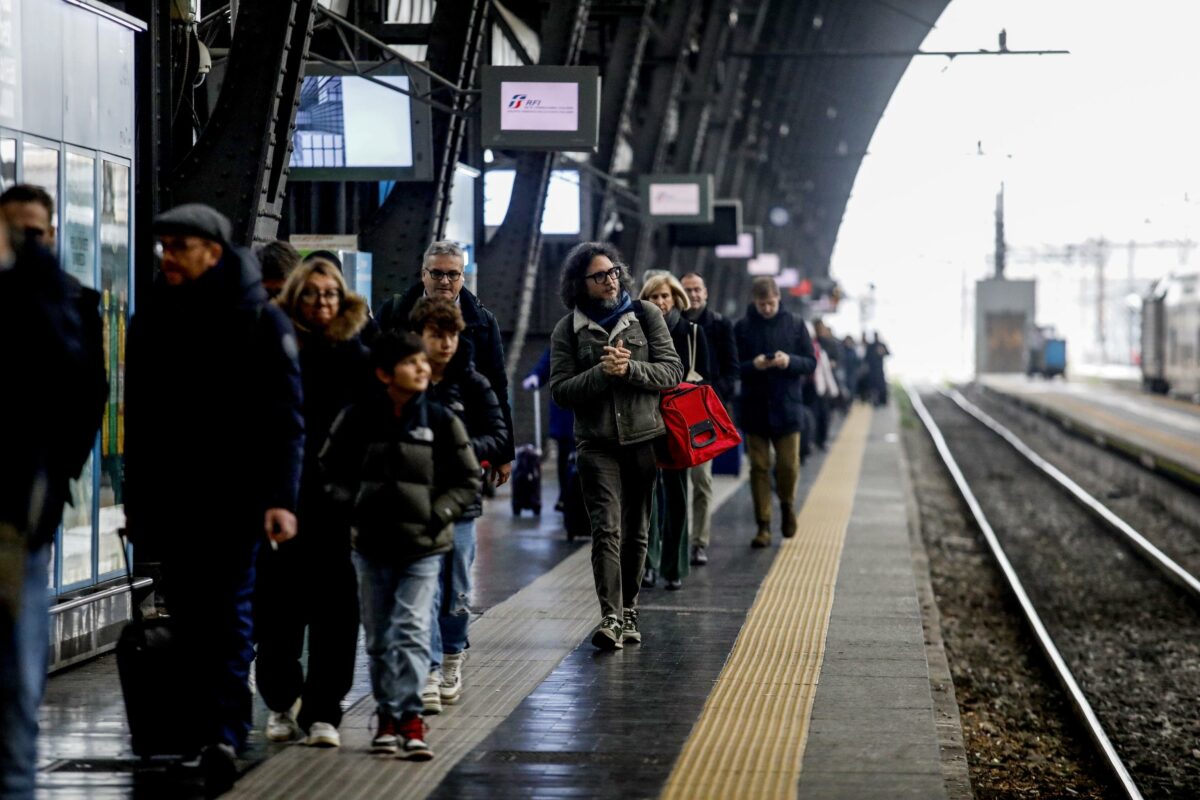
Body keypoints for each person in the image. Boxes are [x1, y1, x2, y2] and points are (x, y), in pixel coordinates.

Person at [123, 204, 304, 794]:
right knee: (195, 619)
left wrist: (281, 498)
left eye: (178, 246)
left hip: (236, 499)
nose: (167, 258)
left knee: (227, 615)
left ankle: (222, 735)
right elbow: (142, 420)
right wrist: (136, 502)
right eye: (163, 247)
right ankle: (202, 730)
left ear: (214, 249)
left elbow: (285, 419)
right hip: (174, 500)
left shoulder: (259, 321)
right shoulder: (153, 318)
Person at [320, 331, 481, 761]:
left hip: (423, 548)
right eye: (412, 363)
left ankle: (410, 718)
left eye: (423, 363)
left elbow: (467, 480)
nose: (423, 369)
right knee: (377, 638)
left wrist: (438, 514)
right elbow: (329, 470)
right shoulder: (358, 418)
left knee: (410, 629)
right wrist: (352, 505)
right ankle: (387, 716)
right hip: (370, 546)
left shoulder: (443, 420)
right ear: (385, 373)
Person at [0, 215, 106, 800]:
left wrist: (59, 472)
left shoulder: (43, 307)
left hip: (16, 520)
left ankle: (16, 785)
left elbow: (77, 384)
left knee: (17, 669)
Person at [255, 257, 373, 749]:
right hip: (283, 496)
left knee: (337, 611)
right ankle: (281, 700)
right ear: (295, 297)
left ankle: (325, 709)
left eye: (330, 293)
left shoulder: (357, 356)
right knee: (278, 608)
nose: (322, 302)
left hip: (337, 501)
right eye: (312, 293)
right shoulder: (272, 348)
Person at [549, 242, 683, 650]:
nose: (609, 280)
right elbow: (560, 390)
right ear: (580, 284)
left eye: (612, 272)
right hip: (597, 443)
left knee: (636, 532)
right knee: (606, 529)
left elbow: (672, 371)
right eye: (598, 276)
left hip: (643, 439)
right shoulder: (567, 329)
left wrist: (630, 369)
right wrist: (601, 375)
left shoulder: (646, 315)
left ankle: (629, 609)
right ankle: (609, 615)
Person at [411, 299, 510, 714]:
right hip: (416, 499)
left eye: (452, 334)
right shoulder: (405, 379)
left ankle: (453, 654)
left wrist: (464, 449)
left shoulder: (473, 383)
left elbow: (498, 433)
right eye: (437, 334)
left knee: (456, 586)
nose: (446, 343)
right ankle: (431, 668)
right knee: (424, 587)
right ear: (420, 336)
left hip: (462, 503)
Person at [376, 241, 514, 487]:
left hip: (460, 441)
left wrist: (502, 454)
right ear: (423, 274)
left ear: (462, 277)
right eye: (437, 273)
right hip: (401, 442)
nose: (444, 280)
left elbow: (497, 384)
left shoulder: (482, 321)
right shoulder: (394, 313)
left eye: (453, 274)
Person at [639, 273, 710, 591]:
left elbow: (708, 380)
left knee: (678, 494)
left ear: (676, 298)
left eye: (665, 296)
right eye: (653, 297)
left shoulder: (692, 333)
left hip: (681, 423)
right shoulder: (637, 332)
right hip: (647, 420)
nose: (660, 303)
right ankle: (649, 563)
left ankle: (675, 565)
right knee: (648, 496)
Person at [734, 277, 816, 548]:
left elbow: (810, 362)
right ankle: (764, 525)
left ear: (778, 298)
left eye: (770, 303)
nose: (767, 308)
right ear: (754, 302)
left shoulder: (794, 324)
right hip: (755, 408)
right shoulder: (743, 328)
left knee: (788, 465)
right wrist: (753, 365)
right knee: (759, 468)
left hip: (788, 407)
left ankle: (788, 504)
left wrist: (789, 361)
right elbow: (733, 366)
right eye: (762, 304)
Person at [680, 272, 738, 566]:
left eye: (698, 289)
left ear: (706, 293)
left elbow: (732, 368)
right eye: (687, 289)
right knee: (673, 482)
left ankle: (698, 542)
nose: (693, 294)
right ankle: (673, 540)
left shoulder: (720, 325)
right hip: (674, 411)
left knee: (702, 479)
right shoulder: (670, 325)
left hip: (704, 412)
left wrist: (715, 396)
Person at [522, 348, 575, 512]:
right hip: (566, 407)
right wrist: (537, 376)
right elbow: (549, 360)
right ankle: (565, 495)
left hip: (590, 405)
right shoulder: (563, 336)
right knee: (565, 455)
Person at [866, 332, 891, 406]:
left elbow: (888, 353)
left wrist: (883, 352)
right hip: (872, 370)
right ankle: (876, 402)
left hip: (880, 369)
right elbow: (867, 357)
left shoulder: (881, 345)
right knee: (874, 387)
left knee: (882, 386)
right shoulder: (870, 346)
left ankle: (883, 401)